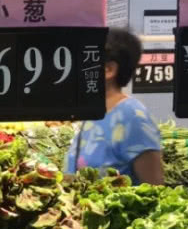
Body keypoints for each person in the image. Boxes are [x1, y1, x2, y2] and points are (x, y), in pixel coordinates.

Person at [65, 29, 164, 185]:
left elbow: (155, 188)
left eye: (84, 62)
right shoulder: (93, 113)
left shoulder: (133, 117)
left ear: (108, 70)